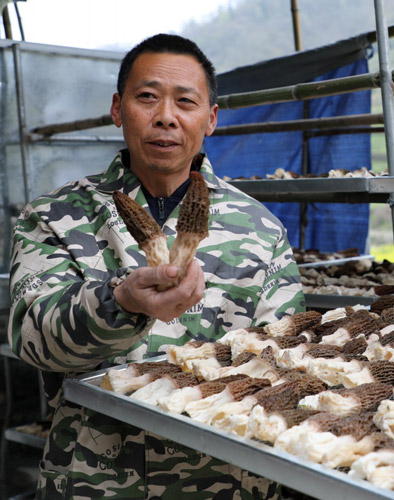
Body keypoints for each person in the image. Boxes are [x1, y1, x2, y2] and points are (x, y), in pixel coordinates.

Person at [7, 34, 304, 499]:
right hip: (94, 477)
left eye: (185, 101)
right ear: (117, 108)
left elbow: (288, 359)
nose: (166, 115)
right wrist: (119, 301)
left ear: (210, 119)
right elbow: (33, 341)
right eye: (147, 97)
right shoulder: (54, 216)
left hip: (226, 482)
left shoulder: (261, 229)